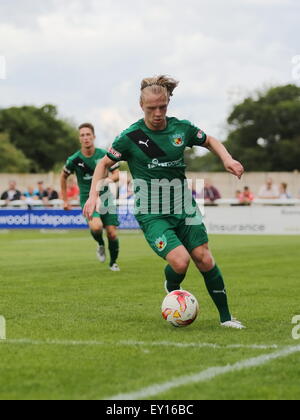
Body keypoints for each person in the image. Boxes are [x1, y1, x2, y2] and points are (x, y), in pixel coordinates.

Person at [84, 75, 245, 329]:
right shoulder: (131, 136)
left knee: (203, 257)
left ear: (168, 102)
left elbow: (210, 140)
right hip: (152, 212)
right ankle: (172, 287)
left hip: (184, 206)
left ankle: (226, 318)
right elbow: (104, 163)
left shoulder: (181, 128)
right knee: (180, 262)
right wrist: (93, 195)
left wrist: (227, 158)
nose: (158, 113)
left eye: (163, 107)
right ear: (141, 106)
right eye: (152, 108)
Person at [61, 123, 121, 271]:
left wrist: (105, 181)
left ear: (94, 137)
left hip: (106, 197)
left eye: (88, 134)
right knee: (96, 226)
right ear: (79, 139)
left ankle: (113, 263)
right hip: (88, 198)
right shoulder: (74, 159)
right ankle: (100, 244)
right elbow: (63, 177)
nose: (86, 138)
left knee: (112, 233)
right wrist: (65, 200)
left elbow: (117, 174)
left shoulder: (104, 154)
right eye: (82, 135)